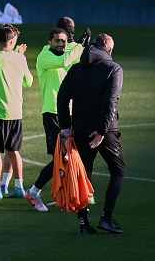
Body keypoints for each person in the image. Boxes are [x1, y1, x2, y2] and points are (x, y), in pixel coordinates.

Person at [58, 34, 124, 234]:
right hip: (105, 131)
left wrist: (66, 127)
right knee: (118, 171)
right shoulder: (113, 68)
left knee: (84, 174)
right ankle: (106, 218)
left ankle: (83, 222)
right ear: (108, 49)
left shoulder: (77, 68)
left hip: (80, 129)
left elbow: (62, 97)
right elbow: (111, 101)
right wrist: (103, 131)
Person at [26, 25, 84, 212]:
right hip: (52, 113)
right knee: (60, 157)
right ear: (49, 41)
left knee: (69, 157)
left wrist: (78, 46)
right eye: (57, 40)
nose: (61, 44)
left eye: (64, 41)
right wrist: (78, 46)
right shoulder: (45, 56)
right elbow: (67, 60)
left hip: (69, 113)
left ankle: (65, 194)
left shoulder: (63, 53)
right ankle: (34, 191)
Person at [0, 24, 32, 199]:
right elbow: (29, 82)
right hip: (16, 112)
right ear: (12, 41)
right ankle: (19, 187)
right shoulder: (20, 59)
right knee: (13, 150)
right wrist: (19, 56)